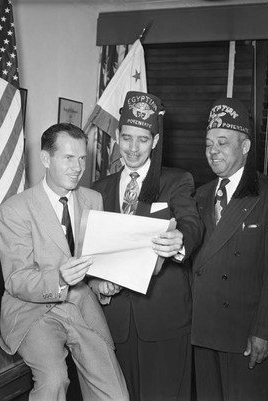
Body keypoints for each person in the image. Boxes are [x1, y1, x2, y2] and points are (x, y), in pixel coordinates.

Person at [0, 123, 129, 401]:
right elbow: (16, 279)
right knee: (54, 380)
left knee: (115, 393)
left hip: (81, 305)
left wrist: (101, 282)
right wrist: (59, 279)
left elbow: (94, 263)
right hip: (33, 311)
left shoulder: (93, 199)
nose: (78, 167)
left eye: (82, 158)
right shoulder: (15, 209)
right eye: (68, 158)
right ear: (46, 159)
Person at [89, 91, 203, 401]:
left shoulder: (177, 181)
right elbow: (89, 251)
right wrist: (97, 282)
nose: (133, 148)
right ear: (117, 137)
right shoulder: (99, 189)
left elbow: (192, 223)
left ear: (154, 141)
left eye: (142, 139)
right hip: (114, 323)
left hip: (163, 318)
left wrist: (182, 240)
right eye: (127, 138)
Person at [191, 98, 268, 401]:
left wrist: (266, 331)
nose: (213, 150)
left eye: (223, 143)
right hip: (201, 331)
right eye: (209, 143)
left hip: (245, 334)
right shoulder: (197, 196)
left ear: (246, 146)